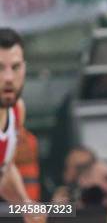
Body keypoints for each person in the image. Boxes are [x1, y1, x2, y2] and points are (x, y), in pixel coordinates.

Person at [0, 28, 46, 222]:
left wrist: (25, 204)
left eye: (15, 67)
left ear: (25, 68)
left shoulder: (17, 111)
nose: (9, 78)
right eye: (0, 68)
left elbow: (5, 168)